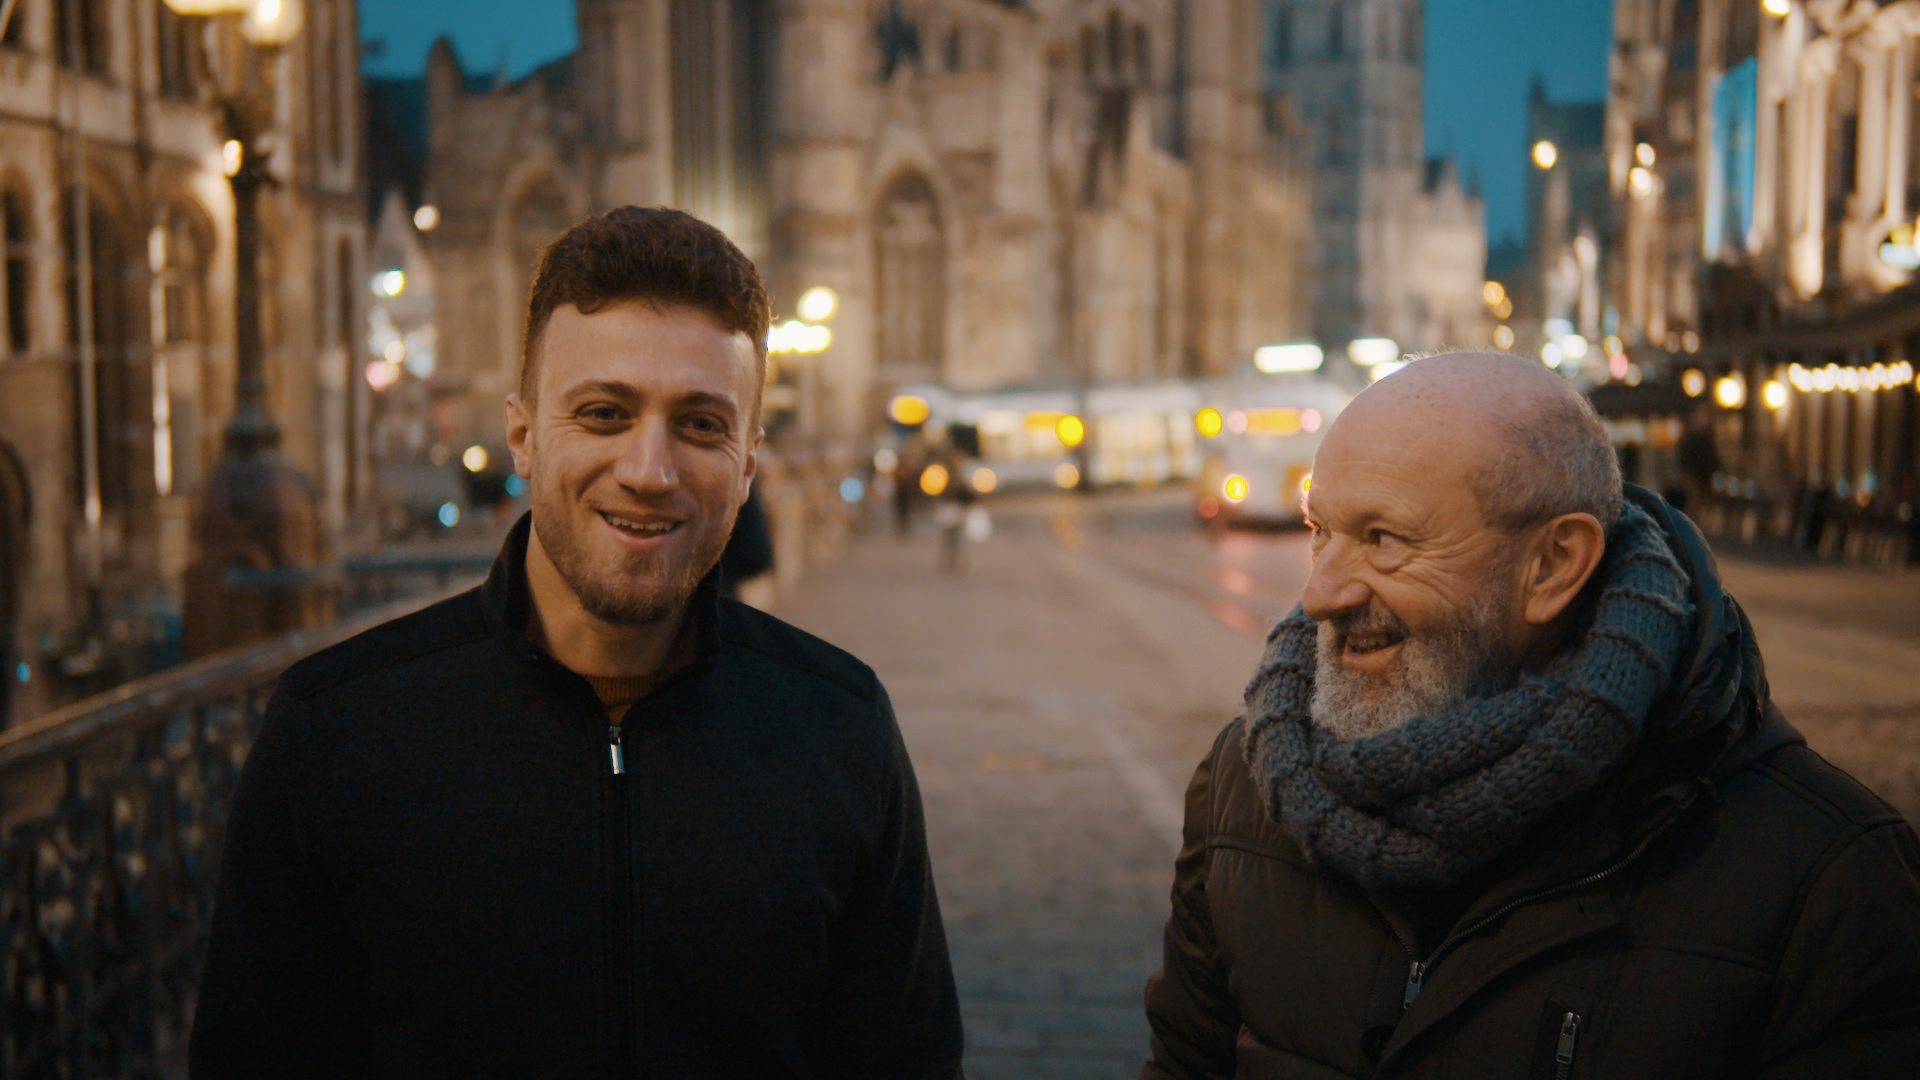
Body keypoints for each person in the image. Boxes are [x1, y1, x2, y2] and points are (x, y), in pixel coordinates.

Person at [189, 207, 964, 1079]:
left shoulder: (840, 726)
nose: (648, 470)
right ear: (523, 436)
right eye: (603, 413)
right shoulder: (335, 734)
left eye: (701, 425)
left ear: (748, 462)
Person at [1141, 352, 1920, 1079]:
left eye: (1384, 540)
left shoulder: (1829, 884)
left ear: (1550, 567)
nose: (1320, 595)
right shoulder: (1243, 791)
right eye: (1323, 533)